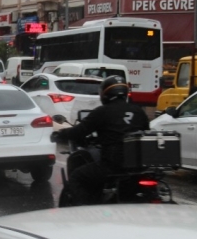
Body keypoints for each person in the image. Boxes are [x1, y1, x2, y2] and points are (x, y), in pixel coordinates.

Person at [51, 75, 149, 206]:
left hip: (113, 166)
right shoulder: (139, 111)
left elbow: (80, 131)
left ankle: (83, 212)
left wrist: (60, 134)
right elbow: (146, 132)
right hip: (138, 167)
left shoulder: (102, 112)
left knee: (77, 177)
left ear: (105, 93)